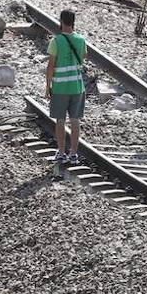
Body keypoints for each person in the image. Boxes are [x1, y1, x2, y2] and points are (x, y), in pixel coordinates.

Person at [46, 9, 87, 173]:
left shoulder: (56, 41)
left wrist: (47, 86)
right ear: (74, 21)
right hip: (77, 86)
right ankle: (74, 154)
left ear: (61, 21)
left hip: (60, 87)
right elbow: (84, 56)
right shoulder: (81, 39)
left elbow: (50, 66)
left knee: (60, 120)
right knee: (75, 119)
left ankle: (62, 152)